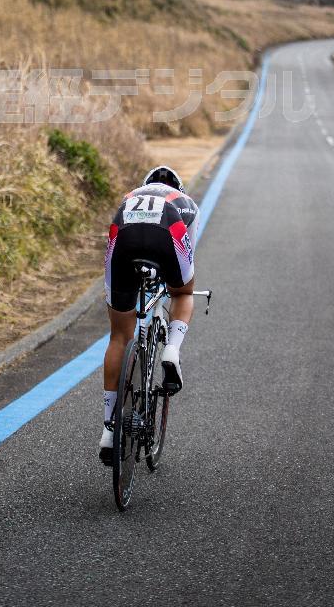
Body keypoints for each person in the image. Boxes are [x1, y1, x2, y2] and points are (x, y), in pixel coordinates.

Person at [99, 164, 200, 465]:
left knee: (119, 335)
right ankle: (171, 351)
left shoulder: (130, 196)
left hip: (124, 234)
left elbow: (114, 235)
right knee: (182, 292)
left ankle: (108, 429)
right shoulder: (187, 203)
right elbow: (188, 252)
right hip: (169, 230)